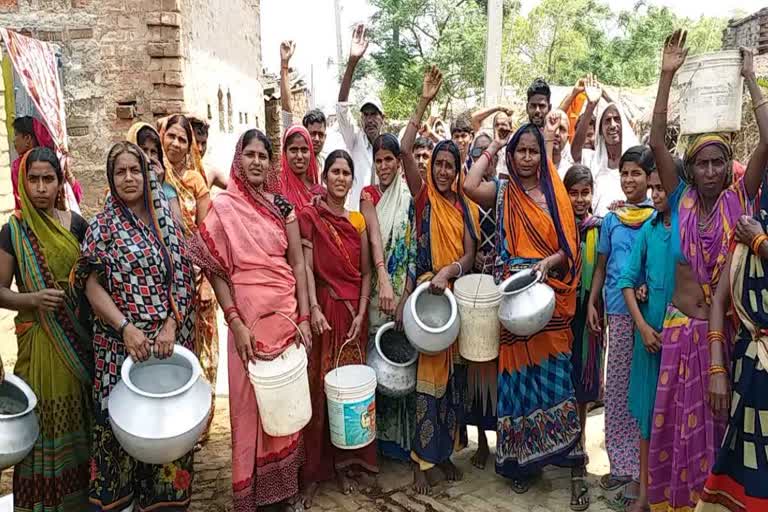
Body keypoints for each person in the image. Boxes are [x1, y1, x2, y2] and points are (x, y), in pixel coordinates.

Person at [647, 31, 768, 512]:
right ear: (690, 169)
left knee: (719, 434)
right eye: (703, 163)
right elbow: (656, 140)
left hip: (725, 338)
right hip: (681, 333)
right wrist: (666, 75)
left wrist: (752, 81)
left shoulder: (740, 199)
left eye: (720, 162)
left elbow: (767, 143)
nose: (713, 171)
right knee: (677, 432)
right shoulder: (680, 198)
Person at [464, 118, 586, 510]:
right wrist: (494, 146)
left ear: (543, 154)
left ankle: (563, 455)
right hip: (512, 299)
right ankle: (519, 463)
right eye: (521, 151)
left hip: (547, 297)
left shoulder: (556, 196)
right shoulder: (502, 193)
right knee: (516, 381)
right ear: (513, 156)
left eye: (534, 150)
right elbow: (468, 186)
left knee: (555, 379)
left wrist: (548, 263)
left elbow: (570, 249)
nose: (528, 157)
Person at [190, 129, 310, 512]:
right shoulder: (224, 208)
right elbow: (216, 269)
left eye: (262, 155)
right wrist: (235, 320)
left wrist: (304, 317)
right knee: (246, 406)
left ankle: (285, 491)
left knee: (285, 404)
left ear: (270, 163)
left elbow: (297, 264)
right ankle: (252, 496)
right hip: (246, 324)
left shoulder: (283, 207)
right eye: (250, 154)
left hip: (284, 319)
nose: (256, 161)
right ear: (238, 160)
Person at [79, 142, 196, 511]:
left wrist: (170, 326)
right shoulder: (102, 227)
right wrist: (126, 328)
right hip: (119, 351)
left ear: (147, 175)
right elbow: (90, 284)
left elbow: (184, 279)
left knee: (165, 433)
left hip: (165, 349)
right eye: (120, 172)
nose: (129, 178)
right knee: (121, 434)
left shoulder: (167, 226)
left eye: (135, 170)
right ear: (111, 179)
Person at [0, 147, 92, 512]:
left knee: (82, 420)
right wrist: (33, 300)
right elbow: (0, 290)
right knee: (43, 424)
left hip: (79, 343)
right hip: (39, 344)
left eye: (47, 179)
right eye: (33, 179)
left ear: (59, 183)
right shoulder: (13, 231)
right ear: (24, 183)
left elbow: (93, 282)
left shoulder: (78, 226)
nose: (40, 187)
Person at [401, 66, 478, 496]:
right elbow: (407, 147)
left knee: (454, 387)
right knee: (428, 386)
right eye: (441, 164)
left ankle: (443, 454)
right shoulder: (424, 196)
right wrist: (423, 102)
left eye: (451, 165)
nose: (445, 171)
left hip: (456, 298)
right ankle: (419, 466)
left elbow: (469, 254)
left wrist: (454, 271)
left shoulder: (464, 206)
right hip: (429, 299)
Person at [299, 150, 377, 506]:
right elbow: (308, 269)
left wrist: (362, 313)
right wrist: (313, 307)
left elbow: (365, 273)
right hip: (325, 313)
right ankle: (318, 468)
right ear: (325, 176)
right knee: (321, 388)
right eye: (335, 172)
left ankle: (349, 462)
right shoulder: (311, 217)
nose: (341, 178)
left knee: (351, 392)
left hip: (353, 318)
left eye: (347, 172)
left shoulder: (358, 222)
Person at [587, 146, 656, 503]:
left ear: (649, 177)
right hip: (616, 310)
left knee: (639, 390)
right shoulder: (612, 220)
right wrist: (592, 301)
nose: (630, 180)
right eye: (625, 173)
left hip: (647, 314)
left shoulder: (655, 218)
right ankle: (621, 464)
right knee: (615, 389)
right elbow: (601, 266)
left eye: (637, 174)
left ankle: (639, 470)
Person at [697, 184, 768, 511]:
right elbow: (718, 301)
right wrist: (717, 369)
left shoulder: (754, 235)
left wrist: (761, 243)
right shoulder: (749, 229)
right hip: (750, 367)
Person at [160, 114, 219, 448]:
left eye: (183, 140)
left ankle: (200, 424)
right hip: (162, 281)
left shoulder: (196, 182)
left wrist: (206, 279)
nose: (176, 144)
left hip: (195, 278)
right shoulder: (151, 177)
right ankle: (172, 420)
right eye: (172, 137)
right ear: (162, 137)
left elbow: (205, 234)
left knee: (202, 350)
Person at [618, 168, 674, 512]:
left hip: (679, 337)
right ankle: (644, 495)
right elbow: (626, 279)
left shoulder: (686, 228)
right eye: (651, 188)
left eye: (661, 187)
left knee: (674, 417)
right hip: (649, 336)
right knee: (647, 420)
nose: (654, 195)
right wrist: (641, 326)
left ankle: (671, 493)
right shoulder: (649, 229)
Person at [359, 133, 417, 463]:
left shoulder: (408, 198)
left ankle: (400, 444)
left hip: (399, 296)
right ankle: (376, 444)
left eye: (389, 160)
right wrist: (383, 282)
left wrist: (404, 296)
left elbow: (411, 251)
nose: (383, 166)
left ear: (398, 162)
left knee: (401, 363)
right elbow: (373, 241)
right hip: (375, 294)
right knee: (375, 362)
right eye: (378, 160)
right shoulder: (367, 196)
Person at [462, 132, 499, 471]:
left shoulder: (504, 192)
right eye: (477, 153)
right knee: (475, 370)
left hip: (499, 290)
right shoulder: (466, 199)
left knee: (498, 371)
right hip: (472, 291)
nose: (483, 159)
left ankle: (501, 441)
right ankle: (483, 443)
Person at [563, 164, 604, 459]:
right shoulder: (558, 228)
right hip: (562, 314)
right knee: (563, 376)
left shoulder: (600, 228)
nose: (579, 199)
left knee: (583, 378)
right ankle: (561, 440)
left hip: (591, 313)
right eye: (573, 193)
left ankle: (579, 437)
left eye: (584, 193)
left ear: (592, 194)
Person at [572, 87, 639, 217]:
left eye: (616, 119)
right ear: (600, 131)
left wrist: (606, 95)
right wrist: (591, 106)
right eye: (607, 121)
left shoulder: (635, 158)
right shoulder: (593, 160)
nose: (613, 125)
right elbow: (575, 152)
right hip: (599, 230)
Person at [337, 24, 383, 210]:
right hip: (357, 221)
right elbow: (341, 107)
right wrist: (352, 62)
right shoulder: (354, 139)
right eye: (366, 115)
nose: (370, 119)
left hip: (383, 219)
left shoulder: (389, 145)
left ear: (383, 118)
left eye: (374, 114)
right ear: (361, 118)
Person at [11, 116, 83, 210]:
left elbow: (20, 203)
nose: (41, 189)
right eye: (33, 179)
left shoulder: (20, 165)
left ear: (27, 139)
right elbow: (75, 197)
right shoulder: (53, 160)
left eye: (16, 135)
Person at [280, 40, 328, 171]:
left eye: (320, 134)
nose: (316, 139)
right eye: (312, 134)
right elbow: (286, 111)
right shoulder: (296, 161)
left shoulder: (326, 165)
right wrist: (284, 65)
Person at [126, 121, 183, 222]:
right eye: (143, 150)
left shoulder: (167, 188)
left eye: (153, 152)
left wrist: (157, 187)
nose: (149, 157)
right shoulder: (123, 186)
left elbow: (179, 228)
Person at [276, 124, 321, 211]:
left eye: (304, 150)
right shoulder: (277, 188)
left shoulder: (319, 192)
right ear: (285, 153)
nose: (299, 156)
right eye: (293, 150)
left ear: (310, 152)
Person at [189, 115, 228, 191]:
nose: (200, 149)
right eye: (196, 142)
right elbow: (160, 124)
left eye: (203, 143)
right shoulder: (173, 171)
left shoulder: (210, 173)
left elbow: (238, 189)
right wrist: (189, 117)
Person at [544, 110, 573, 178]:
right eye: (552, 125)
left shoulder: (570, 171)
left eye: (562, 129)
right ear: (542, 132)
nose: (556, 133)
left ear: (567, 138)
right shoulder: (531, 166)